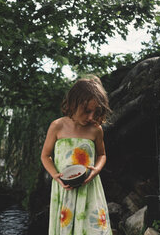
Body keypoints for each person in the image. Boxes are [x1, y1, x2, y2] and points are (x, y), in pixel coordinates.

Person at [41, 75, 113, 235]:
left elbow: (102, 155)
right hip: (65, 190)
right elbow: (45, 156)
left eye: (96, 112)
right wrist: (56, 176)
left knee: (95, 229)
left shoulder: (96, 129)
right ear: (73, 103)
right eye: (87, 111)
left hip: (89, 188)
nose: (91, 117)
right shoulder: (57, 126)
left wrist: (96, 170)